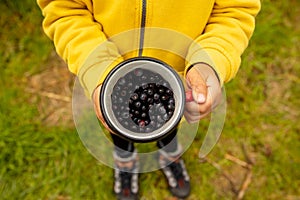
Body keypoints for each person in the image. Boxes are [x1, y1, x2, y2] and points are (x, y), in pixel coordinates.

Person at [37, 0, 260, 199]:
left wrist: (210, 60)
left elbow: (234, 10)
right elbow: (65, 8)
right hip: (109, 78)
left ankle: (169, 156)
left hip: (178, 81)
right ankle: (125, 163)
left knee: (169, 127)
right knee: (118, 132)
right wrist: (97, 66)